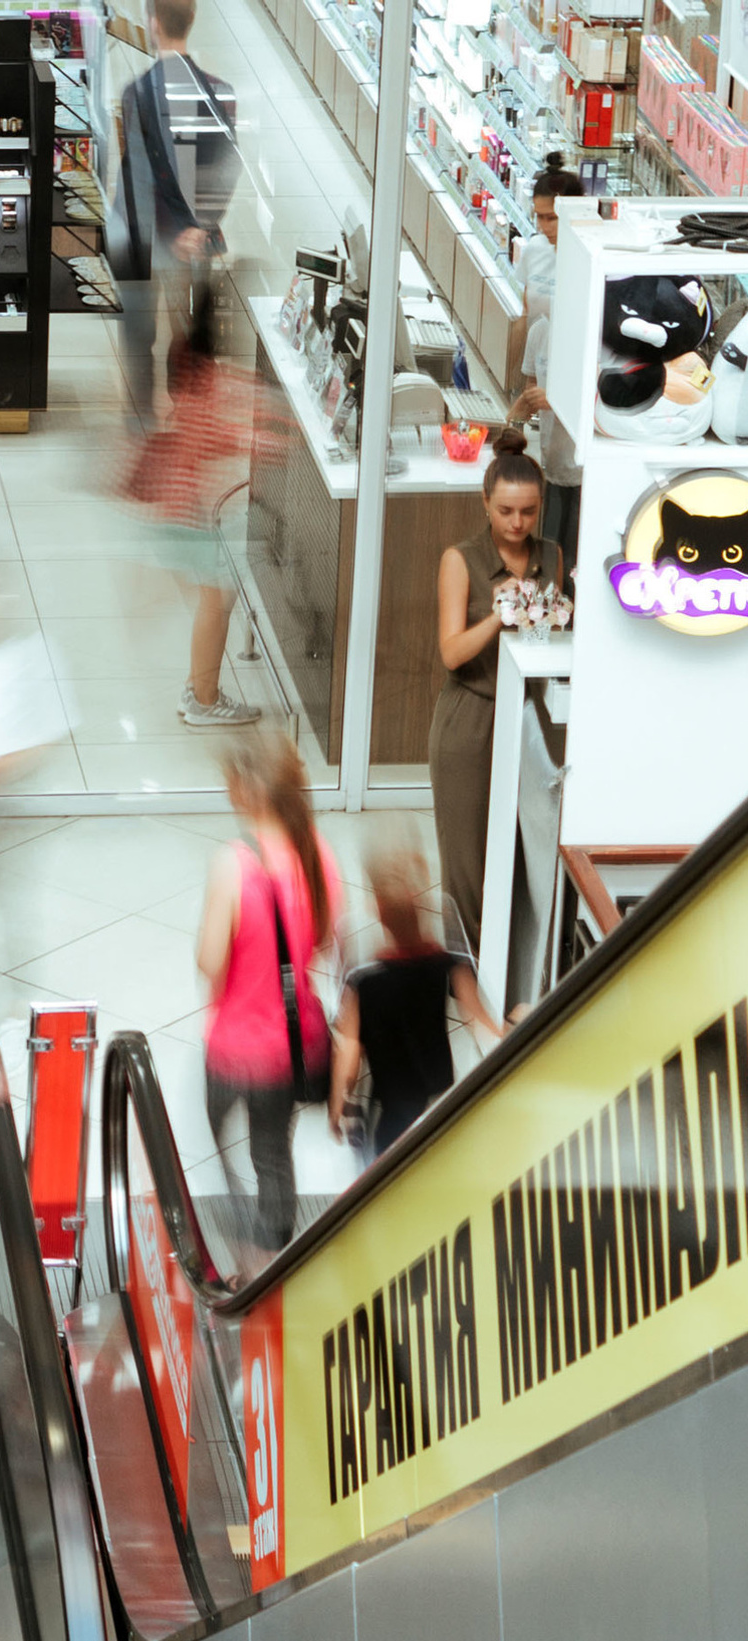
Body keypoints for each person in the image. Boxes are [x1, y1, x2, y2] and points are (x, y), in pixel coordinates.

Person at [193, 732, 344, 1256]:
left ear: (243, 790)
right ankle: (278, 1239)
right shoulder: (316, 852)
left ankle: (232, 1213)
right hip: (290, 1046)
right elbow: (322, 941)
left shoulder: (234, 864)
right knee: (273, 1149)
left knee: (215, 1119)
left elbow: (210, 961)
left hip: (235, 1047)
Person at [430, 429, 562, 960]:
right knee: (467, 861)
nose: (516, 523)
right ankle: (467, 977)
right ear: (485, 503)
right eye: (506, 510)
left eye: (528, 512)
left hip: (532, 719)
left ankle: (513, 973)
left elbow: (555, 636)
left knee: (524, 851)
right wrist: (497, 616)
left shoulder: (552, 556)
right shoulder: (459, 559)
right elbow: (452, 653)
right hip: (471, 719)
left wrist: (554, 613)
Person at [121, 293, 260, 726]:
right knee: (217, 598)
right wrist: (274, 441)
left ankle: (198, 686)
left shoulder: (190, 369)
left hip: (181, 512)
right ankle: (204, 698)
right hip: (192, 514)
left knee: (216, 596)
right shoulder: (209, 384)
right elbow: (221, 438)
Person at [329, 835, 505, 1160]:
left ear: (379, 915)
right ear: (423, 913)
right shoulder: (447, 964)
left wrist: (340, 1097)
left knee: (385, 1163)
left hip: (390, 1098)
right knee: (435, 1154)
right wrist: (510, 1030)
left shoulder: (364, 982)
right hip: (436, 1088)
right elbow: (478, 1017)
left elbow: (351, 1047)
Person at [110, 0, 236, 421]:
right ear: (193, 19)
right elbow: (227, 167)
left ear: (152, 23)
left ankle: (142, 417)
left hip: (145, 239)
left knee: (139, 334)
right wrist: (201, 226)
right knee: (187, 332)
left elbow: (138, 175)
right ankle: (186, 418)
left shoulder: (135, 93)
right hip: (193, 245)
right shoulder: (221, 93)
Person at [507, 154, 590, 565]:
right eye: (539, 217)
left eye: (552, 219)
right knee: (551, 479)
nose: (543, 227)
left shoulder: (592, 259)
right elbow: (528, 315)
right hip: (541, 369)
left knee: (572, 491)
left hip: (577, 389)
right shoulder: (536, 251)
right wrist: (524, 384)